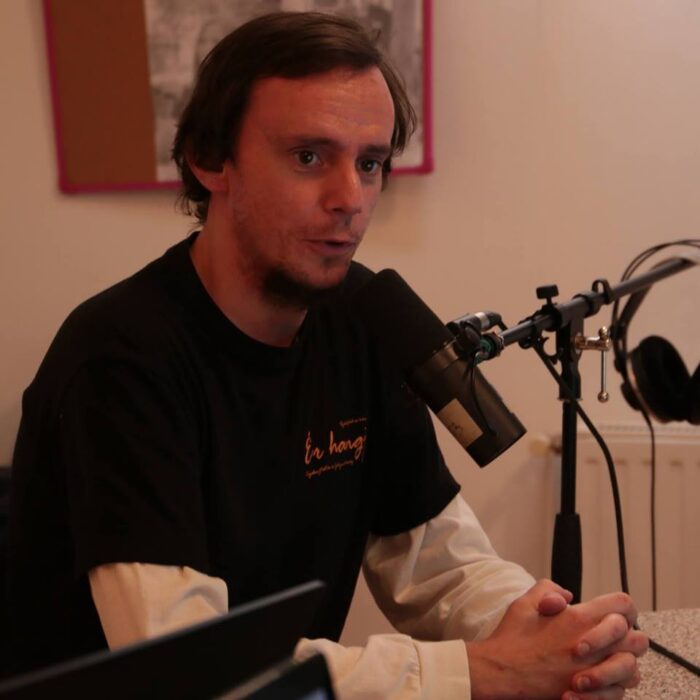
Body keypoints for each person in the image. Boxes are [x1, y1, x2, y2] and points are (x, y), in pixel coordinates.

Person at [7, 11, 647, 699]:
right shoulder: (121, 357)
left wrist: (555, 638)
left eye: (369, 163)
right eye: (309, 157)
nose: (350, 200)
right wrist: (483, 672)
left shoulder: (361, 318)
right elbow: (189, 669)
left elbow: (437, 565)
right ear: (209, 160)